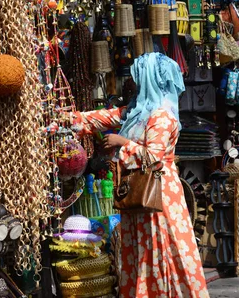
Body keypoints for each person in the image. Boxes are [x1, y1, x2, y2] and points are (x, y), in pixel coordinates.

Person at [72, 52, 209, 298]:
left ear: (151, 80)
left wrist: (121, 141)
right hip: (138, 193)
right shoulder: (137, 111)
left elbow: (153, 158)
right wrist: (69, 120)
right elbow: (101, 118)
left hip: (158, 197)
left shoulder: (162, 116)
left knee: (161, 248)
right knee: (141, 251)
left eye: (138, 78)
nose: (133, 83)